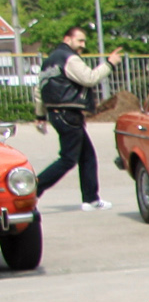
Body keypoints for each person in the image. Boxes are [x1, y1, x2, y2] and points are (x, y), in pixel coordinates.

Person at [33, 24, 124, 211]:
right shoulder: (70, 58)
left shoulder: (49, 61)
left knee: (87, 156)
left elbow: (39, 91)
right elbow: (89, 78)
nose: (83, 45)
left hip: (57, 114)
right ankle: (33, 189)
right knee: (68, 159)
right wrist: (110, 64)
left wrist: (40, 115)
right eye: (80, 40)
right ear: (67, 39)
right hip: (69, 114)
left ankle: (91, 199)